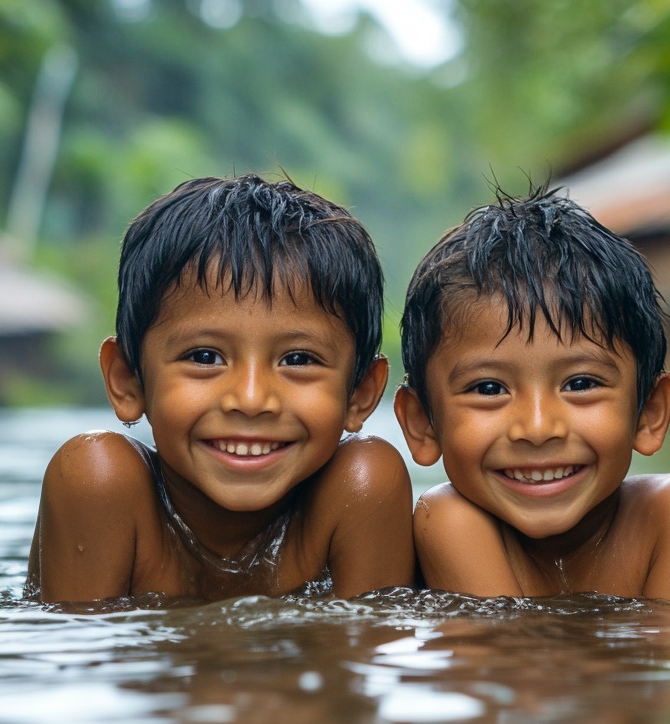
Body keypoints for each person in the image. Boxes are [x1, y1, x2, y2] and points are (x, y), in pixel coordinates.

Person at [28, 175, 413, 604]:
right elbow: (76, 662)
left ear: (359, 394)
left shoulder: (361, 489)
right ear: (127, 380)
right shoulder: (99, 481)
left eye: (298, 360)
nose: (250, 400)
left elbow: (370, 654)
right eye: (205, 357)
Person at [392, 187, 670, 609]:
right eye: (490, 389)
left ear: (649, 413)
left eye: (581, 384)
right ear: (423, 424)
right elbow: (519, 666)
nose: (537, 428)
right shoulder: (447, 520)